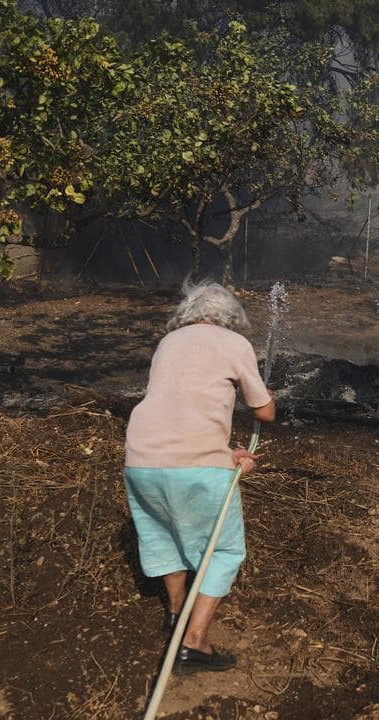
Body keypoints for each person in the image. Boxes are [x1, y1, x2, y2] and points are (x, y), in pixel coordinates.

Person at [123, 280, 276, 674]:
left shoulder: (168, 343)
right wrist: (266, 393)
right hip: (194, 463)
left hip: (141, 457)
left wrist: (224, 454)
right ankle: (193, 644)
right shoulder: (233, 343)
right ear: (230, 316)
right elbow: (265, 412)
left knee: (162, 536)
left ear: (187, 313)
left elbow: (179, 409)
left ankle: (176, 616)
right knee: (223, 550)